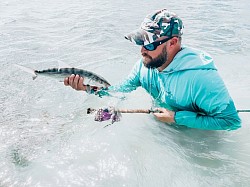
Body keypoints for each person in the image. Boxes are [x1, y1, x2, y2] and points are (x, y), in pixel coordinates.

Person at [64, 9, 241, 130]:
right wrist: (86, 88)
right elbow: (119, 91)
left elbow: (231, 121)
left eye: (148, 43)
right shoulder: (144, 65)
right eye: (140, 41)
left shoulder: (202, 79)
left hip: (198, 139)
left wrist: (177, 118)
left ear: (172, 43)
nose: (142, 50)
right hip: (163, 129)